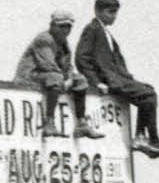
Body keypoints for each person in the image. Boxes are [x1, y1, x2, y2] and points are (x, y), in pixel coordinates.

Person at [75, 0, 159, 158]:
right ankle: (150, 139)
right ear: (98, 11)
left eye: (115, 12)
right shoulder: (92, 29)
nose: (114, 16)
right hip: (110, 81)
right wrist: (96, 82)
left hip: (120, 79)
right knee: (149, 95)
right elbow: (81, 58)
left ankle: (141, 137)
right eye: (110, 12)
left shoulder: (106, 33)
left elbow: (117, 61)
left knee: (148, 92)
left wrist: (128, 78)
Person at [17, 12, 98, 141]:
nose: (65, 30)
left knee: (81, 80)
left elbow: (68, 66)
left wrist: (72, 78)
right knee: (55, 77)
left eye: (68, 26)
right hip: (29, 76)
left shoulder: (63, 44)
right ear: (52, 25)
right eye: (61, 26)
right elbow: (48, 65)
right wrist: (66, 81)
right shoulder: (44, 39)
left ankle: (82, 124)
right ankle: (49, 122)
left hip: (49, 76)